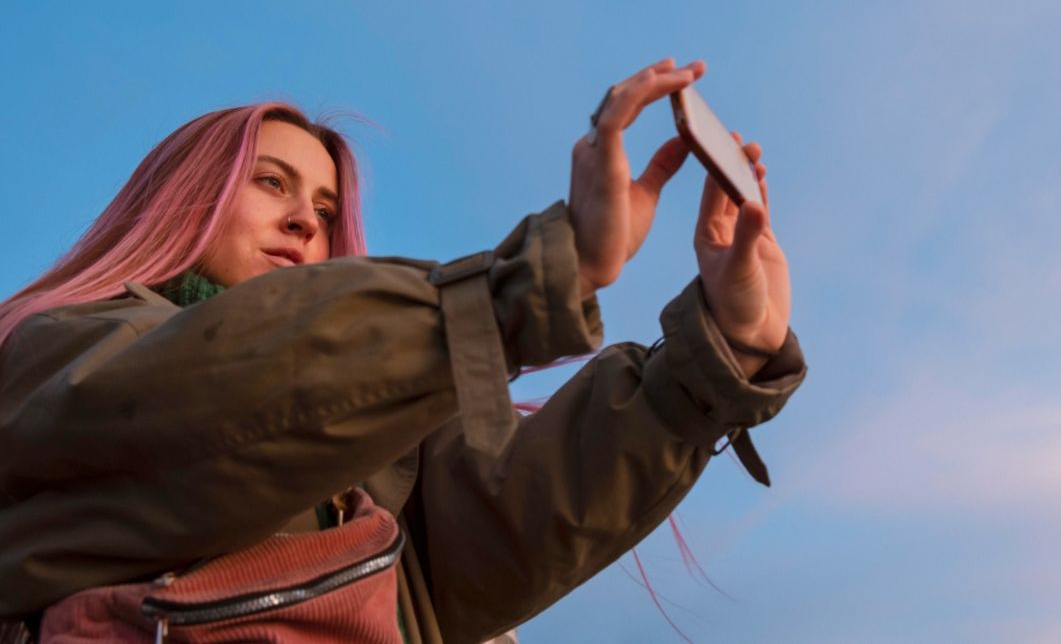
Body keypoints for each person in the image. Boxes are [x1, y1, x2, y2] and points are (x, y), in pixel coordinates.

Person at [0, 59, 806, 644]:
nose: (305, 220)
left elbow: (505, 522)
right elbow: (213, 400)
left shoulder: (384, 452)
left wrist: (715, 358)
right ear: (184, 197)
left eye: (323, 204)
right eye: (270, 183)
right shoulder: (58, 351)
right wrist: (535, 279)